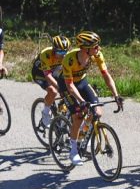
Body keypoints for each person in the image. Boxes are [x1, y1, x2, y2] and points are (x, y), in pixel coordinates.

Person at [62, 32, 123, 166]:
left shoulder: (96, 55)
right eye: (95, 46)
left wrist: (116, 95)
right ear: (84, 48)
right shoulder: (69, 59)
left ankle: (82, 135)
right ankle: (73, 151)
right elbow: (70, 85)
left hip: (82, 82)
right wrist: (81, 101)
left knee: (97, 112)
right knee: (78, 116)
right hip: (67, 85)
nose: (98, 49)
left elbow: (106, 76)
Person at [31, 35, 71, 127]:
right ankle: (45, 113)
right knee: (53, 91)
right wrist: (59, 87)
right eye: (60, 51)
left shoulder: (66, 56)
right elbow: (48, 76)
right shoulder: (46, 54)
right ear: (54, 49)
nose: (63, 54)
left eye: (65, 51)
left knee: (68, 90)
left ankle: (62, 113)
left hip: (54, 72)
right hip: (40, 74)